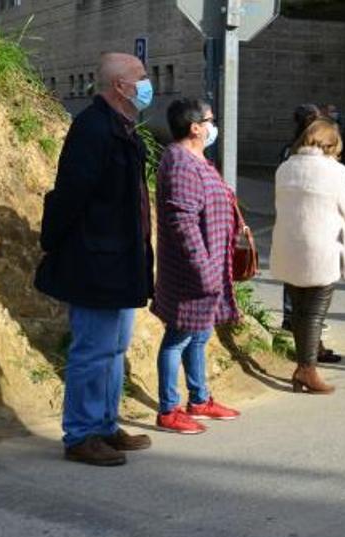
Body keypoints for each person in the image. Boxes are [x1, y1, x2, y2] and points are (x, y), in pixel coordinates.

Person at [36, 53, 155, 466]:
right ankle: (81, 434)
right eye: (141, 77)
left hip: (121, 259)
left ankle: (105, 425)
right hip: (96, 260)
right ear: (120, 86)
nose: (147, 83)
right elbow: (70, 193)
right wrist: (51, 241)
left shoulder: (123, 128)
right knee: (92, 349)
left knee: (115, 347)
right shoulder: (92, 128)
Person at [152, 98, 242, 434]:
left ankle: (200, 399)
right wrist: (204, 270)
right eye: (209, 120)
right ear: (194, 127)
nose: (212, 126)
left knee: (200, 336)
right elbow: (183, 223)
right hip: (192, 273)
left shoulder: (196, 160)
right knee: (178, 337)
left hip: (209, 270)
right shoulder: (180, 164)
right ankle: (168, 408)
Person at [271, 120, 345, 394]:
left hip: (289, 246)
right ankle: (307, 370)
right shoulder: (335, 171)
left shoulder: (285, 167)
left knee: (299, 310)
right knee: (314, 312)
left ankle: (303, 366)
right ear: (331, 145)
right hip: (320, 250)